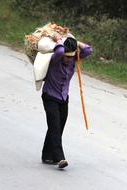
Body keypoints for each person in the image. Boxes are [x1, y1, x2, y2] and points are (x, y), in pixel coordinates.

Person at [41, 36, 92, 169]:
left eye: (71, 57)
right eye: (67, 56)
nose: (68, 59)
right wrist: (59, 41)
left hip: (63, 98)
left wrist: (75, 41)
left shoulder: (73, 59)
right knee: (55, 127)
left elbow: (88, 50)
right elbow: (58, 51)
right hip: (50, 96)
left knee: (57, 127)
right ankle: (59, 158)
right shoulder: (56, 59)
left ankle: (46, 155)